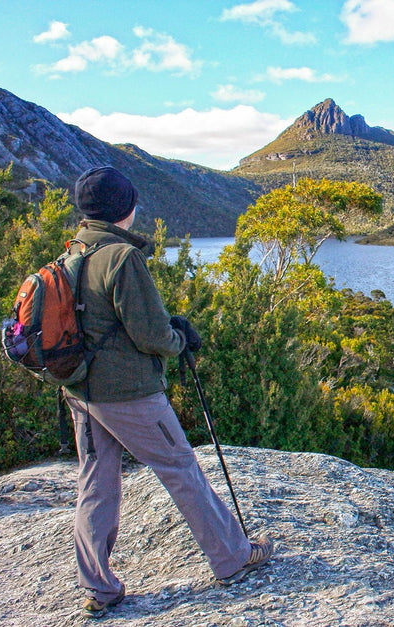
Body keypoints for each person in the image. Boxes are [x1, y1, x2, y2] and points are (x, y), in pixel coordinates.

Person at [63, 166, 273, 618]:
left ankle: (98, 588)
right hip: (128, 394)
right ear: (125, 208)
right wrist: (180, 338)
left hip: (81, 390)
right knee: (180, 467)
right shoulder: (121, 257)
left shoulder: (73, 252)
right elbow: (152, 336)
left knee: (96, 481)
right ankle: (234, 557)